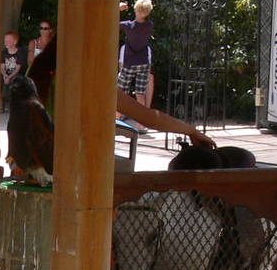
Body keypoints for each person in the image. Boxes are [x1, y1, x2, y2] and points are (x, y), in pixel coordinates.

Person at [24, 33, 213, 175]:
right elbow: (148, 118)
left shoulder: (37, 72)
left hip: (34, 168)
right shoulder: (88, 80)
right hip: (76, 171)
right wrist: (191, 131)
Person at [118, 0, 155, 107]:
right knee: (140, 93)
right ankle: (140, 123)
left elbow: (113, 21)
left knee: (121, 92)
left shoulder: (128, 26)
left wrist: (118, 8)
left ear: (135, 9)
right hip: (143, 63)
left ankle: (116, 118)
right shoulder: (149, 26)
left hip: (129, 63)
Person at [0, 29, 27, 108]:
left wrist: (9, 77)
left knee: (16, 81)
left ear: (15, 42)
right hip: (6, 73)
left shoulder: (20, 52)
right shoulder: (4, 52)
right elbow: (2, 67)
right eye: (5, 41)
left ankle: (15, 104)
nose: (6, 43)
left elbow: (17, 69)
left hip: (16, 74)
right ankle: (1, 104)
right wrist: (4, 75)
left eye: (8, 41)